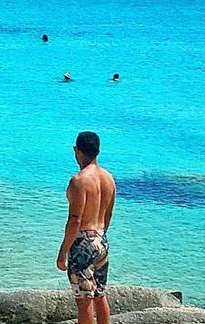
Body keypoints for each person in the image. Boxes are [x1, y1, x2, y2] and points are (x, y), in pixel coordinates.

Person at [56, 131, 116, 324]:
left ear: (77, 150)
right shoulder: (109, 179)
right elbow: (108, 215)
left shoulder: (79, 181)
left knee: (84, 300)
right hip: (101, 239)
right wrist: (99, 237)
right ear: (98, 151)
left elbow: (75, 220)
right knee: (100, 294)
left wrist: (63, 252)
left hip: (83, 242)